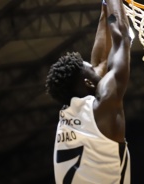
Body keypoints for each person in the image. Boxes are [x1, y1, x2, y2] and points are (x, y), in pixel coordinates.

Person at [45, 0, 132, 183]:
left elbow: (101, 61)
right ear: (88, 83)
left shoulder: (69, 114)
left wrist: (105, 8)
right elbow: (122, 36)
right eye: (92, 70)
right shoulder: (104, 107)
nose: (98, 68)